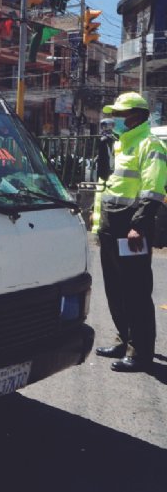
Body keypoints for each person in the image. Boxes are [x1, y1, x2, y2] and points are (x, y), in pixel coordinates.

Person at [94, 92, 167, 372]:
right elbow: (108, 183)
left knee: (136, 290)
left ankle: (141, 351)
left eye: (122, 115)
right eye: (115, 115)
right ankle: (124, 339)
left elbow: (153, 190)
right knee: (115, 289)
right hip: (111, 229)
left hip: (132, 230)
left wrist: (138, 225)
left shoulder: (150, 144)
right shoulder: (119, 145)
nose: (117, 119)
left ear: (138, 115)